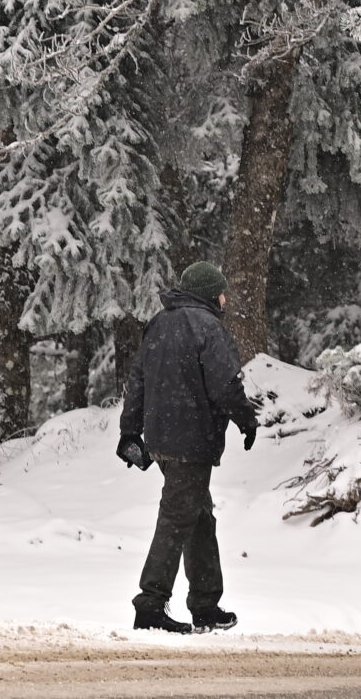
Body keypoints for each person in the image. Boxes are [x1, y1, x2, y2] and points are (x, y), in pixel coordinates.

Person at [117, 259, 258, 633]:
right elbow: (225, 384)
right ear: (211, 293)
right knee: (178, 517)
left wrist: (130, 431)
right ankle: (150, 604)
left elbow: (137, 380)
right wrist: (246, 418)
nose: (226, 300)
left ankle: (205, 604)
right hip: (192, 439)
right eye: (223, 292)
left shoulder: (159, 324)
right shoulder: (209, 327)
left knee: (198, 516)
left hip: (161, 438)